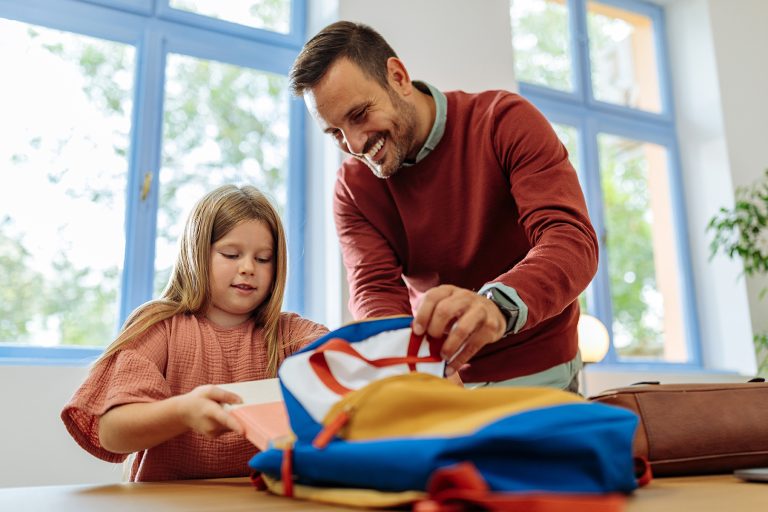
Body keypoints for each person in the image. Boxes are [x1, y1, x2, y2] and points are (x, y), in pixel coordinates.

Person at [289, 21, 598, 392]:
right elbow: (375, 291)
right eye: (335, 133)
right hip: (440, 381)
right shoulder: (353, 189)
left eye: (359, 115)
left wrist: (495, 307)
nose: (354, 144)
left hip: (539, 369)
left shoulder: (504, 121)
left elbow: (569, 239)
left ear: (398, 77)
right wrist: (403, 359)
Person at [61, 185, 329, 481]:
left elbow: (348, 362)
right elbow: (112, 433)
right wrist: (181, 412)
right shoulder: (160, 326)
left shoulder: (289, 332)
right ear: (197, 253)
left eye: (263, 259)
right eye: (231, 254)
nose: (248, 268)